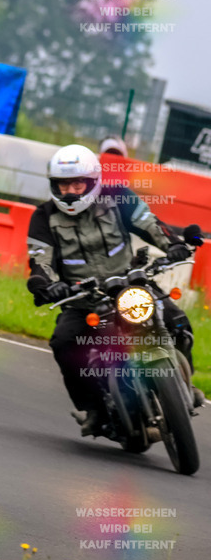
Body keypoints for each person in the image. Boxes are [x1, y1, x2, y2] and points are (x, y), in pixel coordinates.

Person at [26, 144, 202, 436]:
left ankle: (186, 382)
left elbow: (151, 225)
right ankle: (93, 409)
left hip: (132, 284)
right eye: (63, 184)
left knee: (177, 321)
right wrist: (45, 285)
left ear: (93, 181)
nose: (70, 190)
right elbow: (40, 260)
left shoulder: (117, 197)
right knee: (63, 343)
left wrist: (175, 245)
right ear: (54, 185)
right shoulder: (43, 216)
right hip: (83, 299)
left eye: (77, 182)